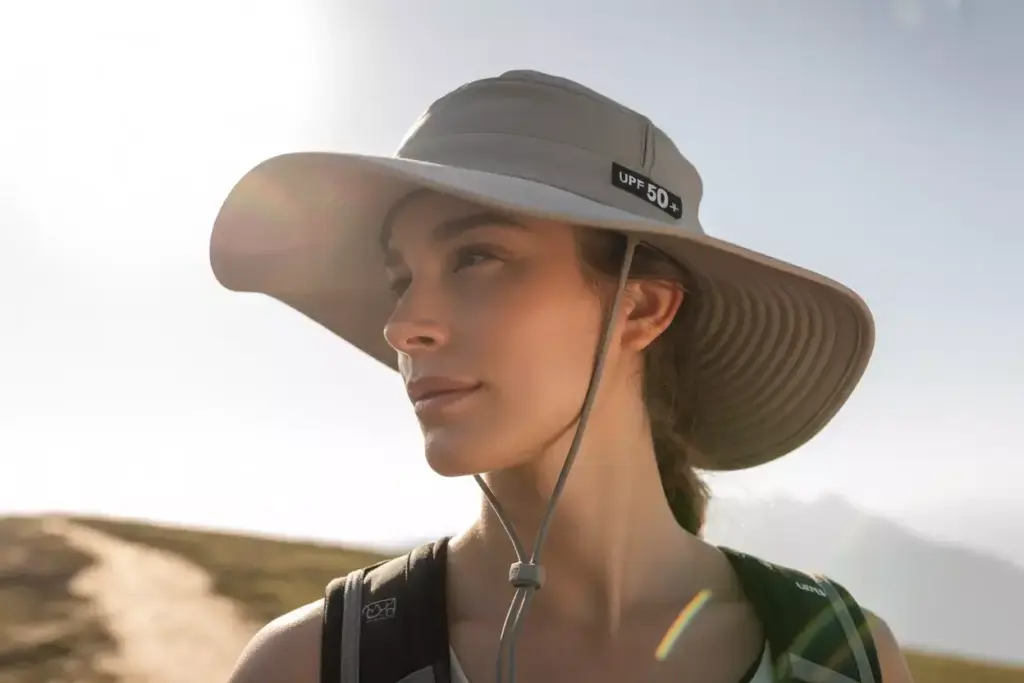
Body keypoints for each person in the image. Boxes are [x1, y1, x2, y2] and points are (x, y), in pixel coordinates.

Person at [210, 70, 915, 683]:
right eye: (401, 279)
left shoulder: (844, 659)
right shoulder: (313, 663)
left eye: (475, 258)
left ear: (641, 308)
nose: (402, 326)